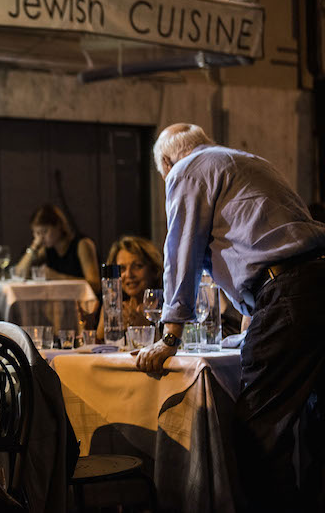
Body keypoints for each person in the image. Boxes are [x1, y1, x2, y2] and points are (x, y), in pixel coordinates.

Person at [135, 123, 325, 511]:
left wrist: (171, 334)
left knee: (258, 435)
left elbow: (180, 252)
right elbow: (262, 239)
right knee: (317, 427)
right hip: (316, 279)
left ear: (168, 164)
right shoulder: (245, 162)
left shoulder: (187, 171)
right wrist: (253, 315)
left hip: (290, 292)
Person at [15, 204, 100, 294]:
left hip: (87, 303)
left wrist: (57, 277)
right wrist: (34, 247)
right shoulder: (48, 248)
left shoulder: (82, 244)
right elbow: (20, 273)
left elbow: (95, 285)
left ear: (59, 226)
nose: (40, 238)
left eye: (44, 232)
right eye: (36, 233)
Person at [96, 236, 163, 341]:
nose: (129, 274)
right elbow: (100, 347)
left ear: (154, 270)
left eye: (137, 266)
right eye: (122, 268)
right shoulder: (115, 306)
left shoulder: (166, 307)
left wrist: (144, 329)